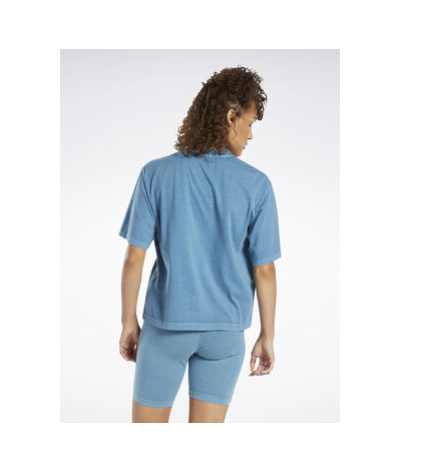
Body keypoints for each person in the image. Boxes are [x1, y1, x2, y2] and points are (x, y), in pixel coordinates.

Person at [118, 66, 281, 423]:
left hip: (166, 329)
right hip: (225, 335)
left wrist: (128, 322)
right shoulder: (257, 184)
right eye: (250, 123)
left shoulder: (155, 174)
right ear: (231, 117)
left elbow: (134, 258)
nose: (251, 134)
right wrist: (267, 335)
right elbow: (265, 270)